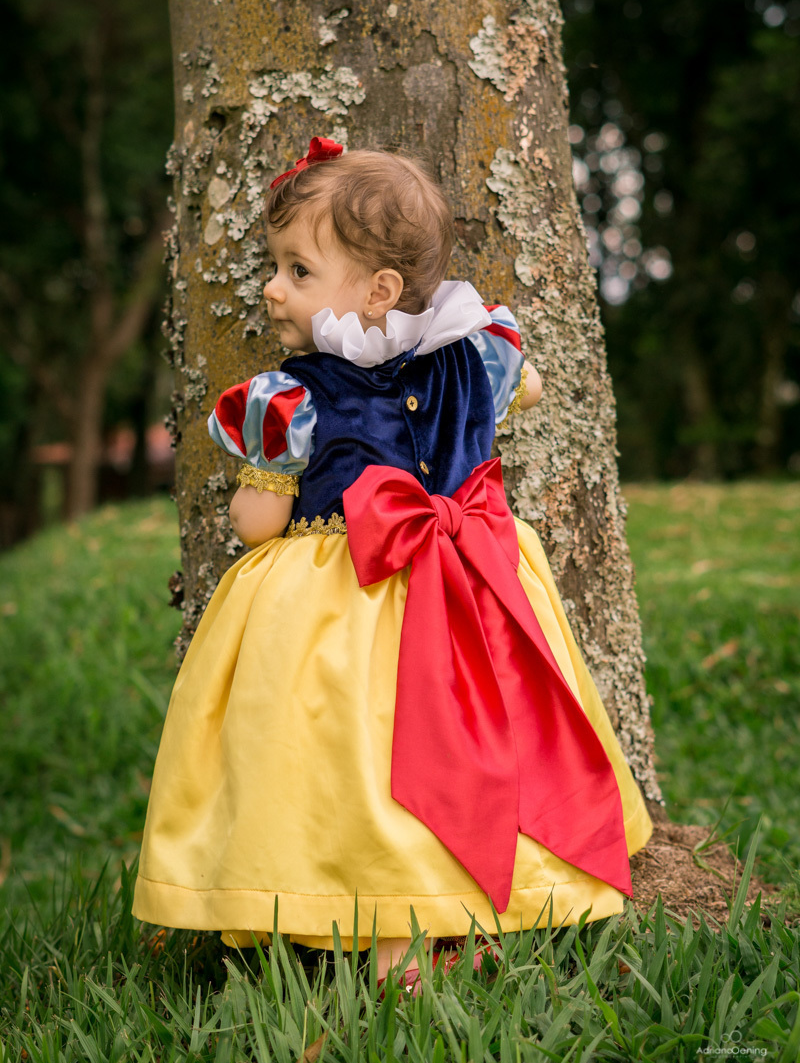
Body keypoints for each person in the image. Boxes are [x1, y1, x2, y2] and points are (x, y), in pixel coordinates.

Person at [132, 137, 653, 986]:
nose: (272, 288)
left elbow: (258, 526)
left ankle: (373, 927)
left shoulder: (292, 400)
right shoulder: (480, 356)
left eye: (297, 270)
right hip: (478, 575)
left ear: (377, 291)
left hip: (340, 598)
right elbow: (528, 391)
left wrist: (261, 482)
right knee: (481, 731)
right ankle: (460, 916)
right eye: (277, 267)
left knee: (341, 754)